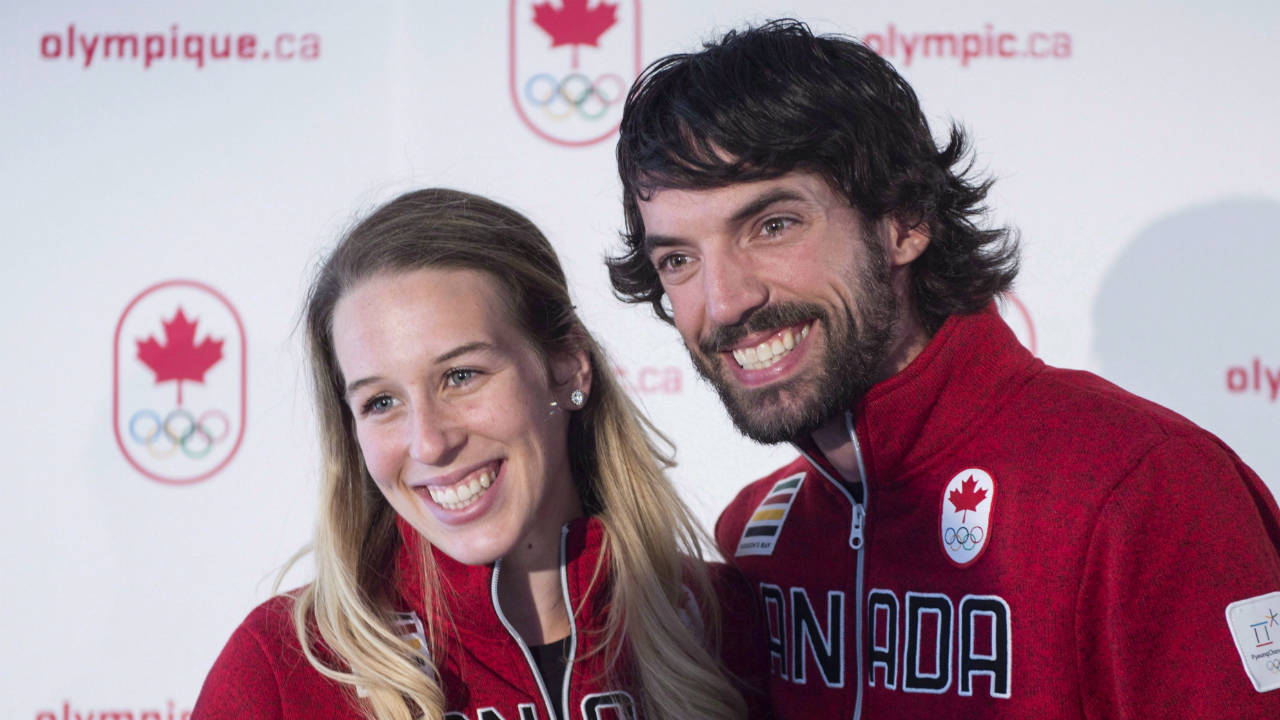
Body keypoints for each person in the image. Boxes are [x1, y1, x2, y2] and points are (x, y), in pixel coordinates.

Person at [607, 18, 1280, 720]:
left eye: (773, 225)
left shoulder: (1144, 490)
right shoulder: (758, 536)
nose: (724, 302)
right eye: (678, 260)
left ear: (904, 221)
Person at [192, 189, 768, 720]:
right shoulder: (283, 668)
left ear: (567, 366)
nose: (430, 442)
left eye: (461, 375)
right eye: (382, 401)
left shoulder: (724, 622)